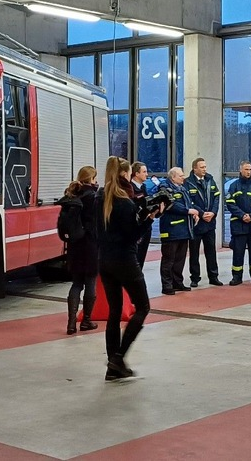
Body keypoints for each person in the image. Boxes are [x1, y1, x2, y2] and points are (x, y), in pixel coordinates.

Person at [97, 156, 157, 380]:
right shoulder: (125, 202)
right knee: (142, 306)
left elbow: (98, 231)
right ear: (125, 174)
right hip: (125, 260)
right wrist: (150, 218)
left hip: (105, 260)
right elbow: (134, 236)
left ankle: (113, 367)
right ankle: (119, 356)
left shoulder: (100, 198)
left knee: (114, 312)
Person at [60, 166, 100, 334]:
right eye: (95, 178)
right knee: (90, 281)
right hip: (90, 244)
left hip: (75, 245)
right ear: (91, 179)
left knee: (76, 283)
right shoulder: (93, 197)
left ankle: (71, 323)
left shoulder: (71, 196)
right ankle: (86, 320)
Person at [225, 160, 251, 286]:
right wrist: (242, 215)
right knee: (238, 253)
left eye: (250, 169)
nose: (248, 172)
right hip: (239, 226)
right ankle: (236, 277)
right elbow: (230, 203)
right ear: (240, 170)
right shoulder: (234, 186)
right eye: (246, 169)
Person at [157, 167, 195, 295]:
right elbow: (171, 204)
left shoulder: (183, 189)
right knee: (169, 259)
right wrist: (188, 211)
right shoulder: (164, 188)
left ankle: (177, 282)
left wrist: (196, 212)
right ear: (173, 177)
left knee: (180, 259)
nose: (183, 178)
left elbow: (189, 204)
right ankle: (167, 285)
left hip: (183, 230)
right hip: (171, 230)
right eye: (180, 176)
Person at [186, 157, 222, 287]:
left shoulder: (210, 180)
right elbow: (189, 202)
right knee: (194, 253)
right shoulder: (188, 183)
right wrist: (201, 214)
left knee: (211, 251)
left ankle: (213, 276)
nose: (204, 169)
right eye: (202, 167)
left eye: (205, 167)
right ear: (194, 168)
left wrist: (213, 212)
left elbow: (216, 197)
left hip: (210, 223)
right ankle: (195, 278)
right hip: (196, 224)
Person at [129, 162, 156, 268]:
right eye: (144, 172)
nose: (147, 174)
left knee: (141, 257)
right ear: (136, 173)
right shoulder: (130, 189)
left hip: (146, 225)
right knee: (135, 259)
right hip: (136, 227)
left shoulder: (143, 187)